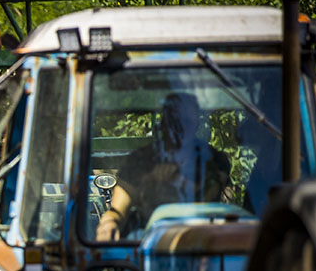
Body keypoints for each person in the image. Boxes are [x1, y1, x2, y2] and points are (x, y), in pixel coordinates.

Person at [96, 92, 232, 241]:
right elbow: (117, 211)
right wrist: (109, 224)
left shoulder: (214, 159)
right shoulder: (140, 160)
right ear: (164, 123)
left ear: (196, 124)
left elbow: (207, 200)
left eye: (187, 121)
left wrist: (176, 180)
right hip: (147, 242)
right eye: (175, 120)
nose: (180, 128)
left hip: (203, 243)